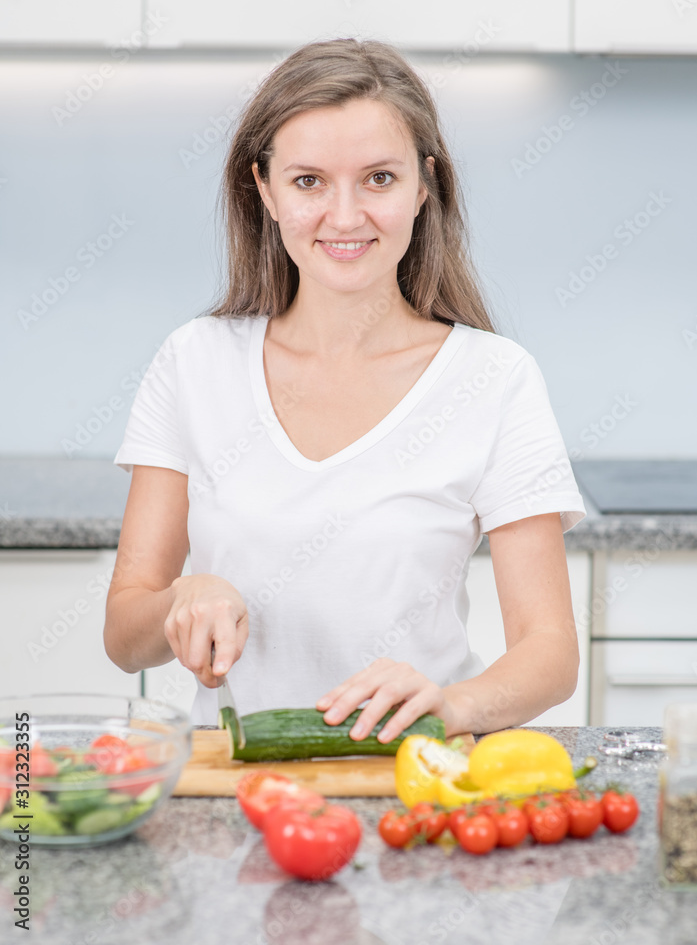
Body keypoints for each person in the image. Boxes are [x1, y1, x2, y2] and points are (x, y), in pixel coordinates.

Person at [105, 37, 586, 742]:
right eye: (308, 182)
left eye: (378, 179)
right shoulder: (193, 363)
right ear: (263, 189)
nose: (344, 215)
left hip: (419, 784)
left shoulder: (494, 379)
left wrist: (451, 706)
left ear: (424, 185)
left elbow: (549, 653)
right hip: (237, 789)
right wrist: (182, 596)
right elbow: (125, 636)